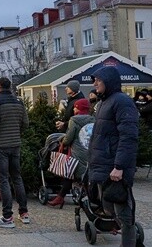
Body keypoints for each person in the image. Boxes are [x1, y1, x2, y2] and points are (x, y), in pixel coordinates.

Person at [88, 66, 139, 247]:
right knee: (109, 207)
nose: (94, 84)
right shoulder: (103, 102)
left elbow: (128, 136)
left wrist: (119, 166)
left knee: (124, 212)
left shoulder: (122, 102)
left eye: (98, 80)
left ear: (108, 81)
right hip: (103, 165)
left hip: (115, 167)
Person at [0, 77, 30, 228]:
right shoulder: (19, 101)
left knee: (3, 180)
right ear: (10, 87)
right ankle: (24, 213)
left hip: (0, 146)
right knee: (17, 177)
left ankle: (7, 217)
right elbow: (25, 123)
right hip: (15, 144)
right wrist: (16, 134)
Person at [47, 98, 93, 208]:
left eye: (76, 107)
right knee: (84, 176)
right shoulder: (93, 119)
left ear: (79, 108)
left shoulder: (74, 120)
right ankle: (63, 197)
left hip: (76, 152)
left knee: (69, 173)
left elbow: (68, 139)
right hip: (89, 151)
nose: (74, 108)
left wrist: (62, 138)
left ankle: (61, 198)